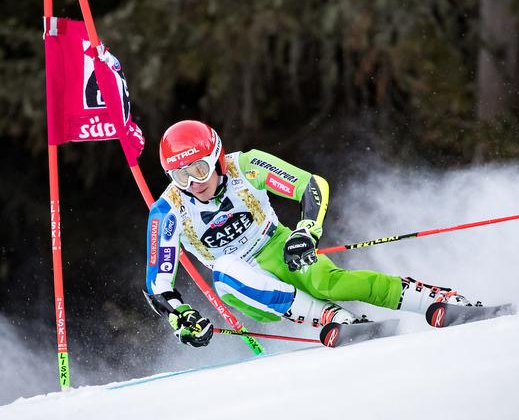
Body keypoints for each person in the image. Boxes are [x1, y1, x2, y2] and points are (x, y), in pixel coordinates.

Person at [144, 120, 476, 347]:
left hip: (277, 246)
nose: (194, 183)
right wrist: (182, 317)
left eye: (199, 169)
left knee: (328, 283)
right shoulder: (168, 210)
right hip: (243, 284)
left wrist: (306, 231)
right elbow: (158, 285)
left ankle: (437, 300)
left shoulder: (246, 166)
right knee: (224, 270)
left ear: (216, 158)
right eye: (180, 175)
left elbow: (311, 186)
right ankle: (334, 318)